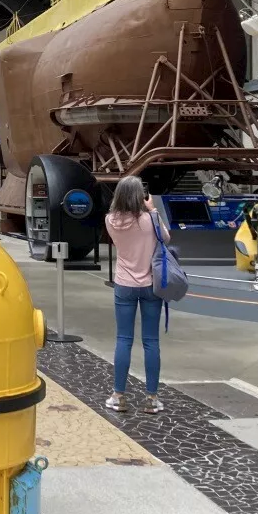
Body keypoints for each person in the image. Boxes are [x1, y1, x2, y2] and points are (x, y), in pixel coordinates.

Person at [104, 175, 169, 415]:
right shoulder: (149, 220)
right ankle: (152, 398)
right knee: (151, 341)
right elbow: (166, 238)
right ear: (140, 196)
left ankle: (118, 396)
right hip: (151, 284)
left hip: (124, 284)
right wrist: (152, 210)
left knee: (124, 339)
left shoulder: (110, 220)